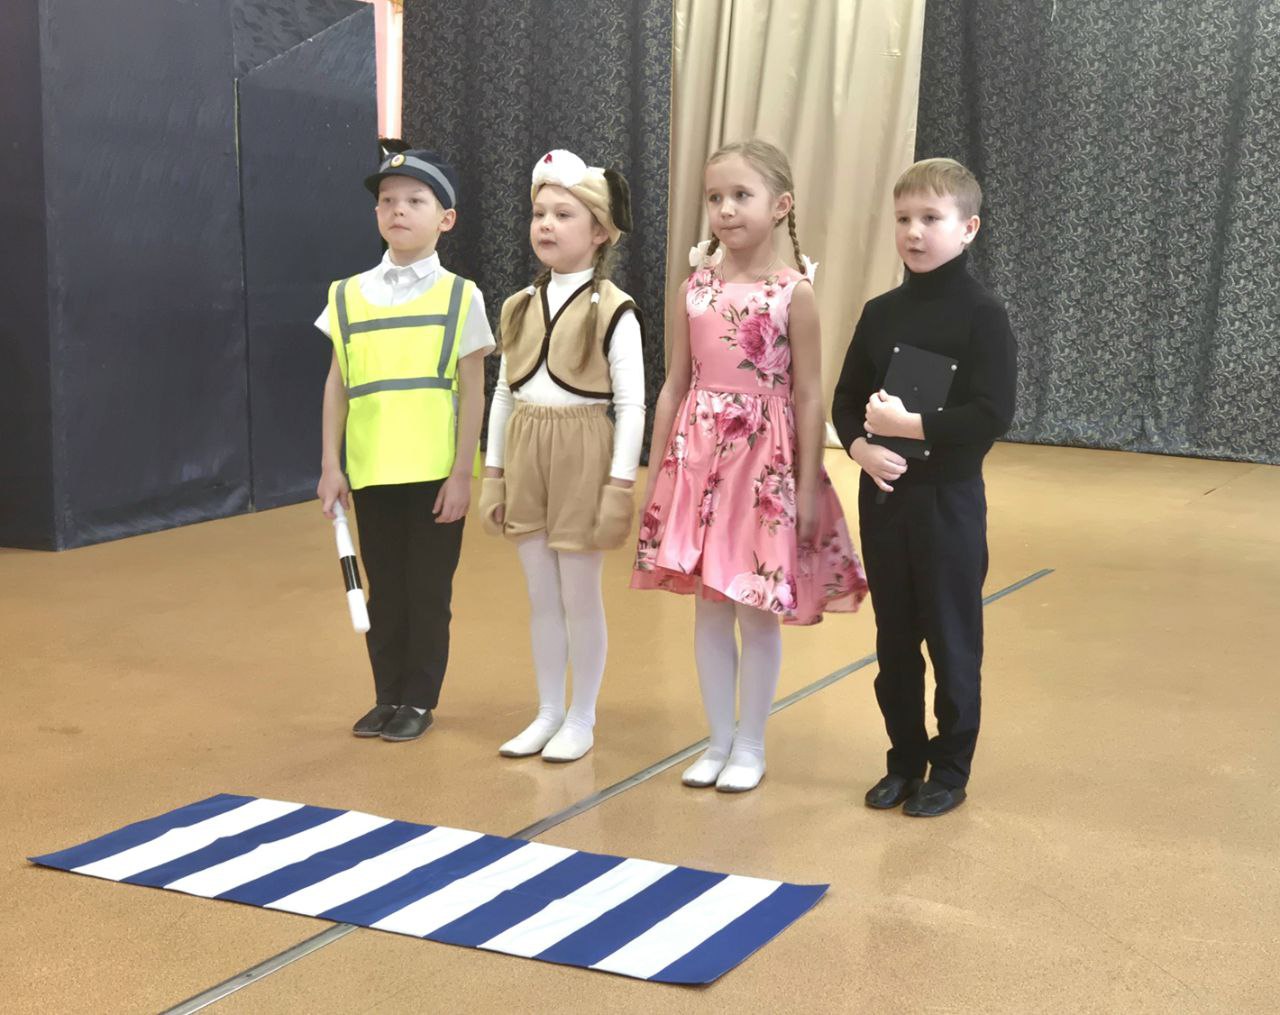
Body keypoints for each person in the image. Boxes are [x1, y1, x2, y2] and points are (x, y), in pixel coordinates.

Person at [632, 139, 867, 793]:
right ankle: (717, 740)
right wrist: (659, 475)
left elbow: (810, 393)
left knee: (755, 605)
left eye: (742, 195)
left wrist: (807, 484)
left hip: (764, 469)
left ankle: (752, 744)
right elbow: (674, 385)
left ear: (780, 205)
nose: (727, 209)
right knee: (710, 607)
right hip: (699, 463)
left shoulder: (794, 293)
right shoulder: (695, 290)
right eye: (715, 197)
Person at [831, 157, 1017, 816]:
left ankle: (951, 769)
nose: (914, 231)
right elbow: (846, 398)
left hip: (948, 502)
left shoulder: (982, 314)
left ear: (968, 228)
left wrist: (912, 425)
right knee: (895, 640)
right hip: (886, 498)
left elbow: (992, 413)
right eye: (904, 218)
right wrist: (860, 447)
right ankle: (904, 761)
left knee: (951, 637)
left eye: (931, 218)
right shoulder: (881, 313)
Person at [315, 148, 494, 742]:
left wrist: (463, 472)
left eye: (416, 200)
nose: (398, 210)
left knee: (427, 592)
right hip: (371, 470)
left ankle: (419, 699)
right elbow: (338, 384)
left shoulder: (462, 296)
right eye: (387, 201)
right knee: (384, 590)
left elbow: (474, 390)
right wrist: (331, 465)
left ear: (446, 218)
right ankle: (386, 695)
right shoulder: (346, 294)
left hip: (434, 473)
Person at [477, 150, 645, 763]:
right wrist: (493, 474)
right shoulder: (518, 305)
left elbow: (632, 405)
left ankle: (581, 715)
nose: (546, 224)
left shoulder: (616, 309)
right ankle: (548, 710)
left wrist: (619, 487)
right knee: (541, 597)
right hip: (526, 446)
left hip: (583, 449)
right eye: (539, 213)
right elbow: (504, 393)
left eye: (564, 214)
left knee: (578, 594)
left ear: (600, 231)